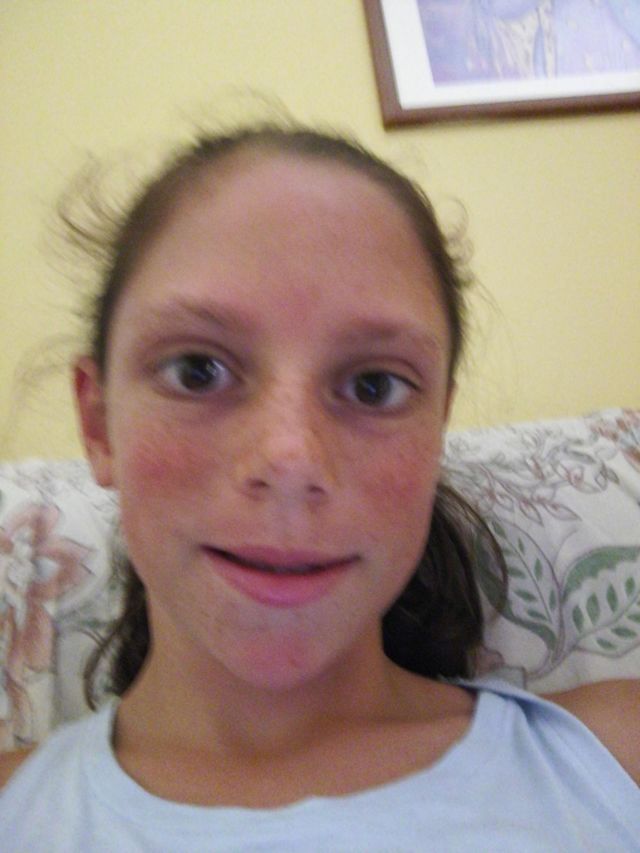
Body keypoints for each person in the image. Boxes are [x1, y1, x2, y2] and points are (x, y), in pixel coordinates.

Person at [0, 125, 637, 850]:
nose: (292, 458)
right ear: (99, 423)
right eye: (198, 372)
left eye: (374, 385)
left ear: (436, 430)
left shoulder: (615, 761)